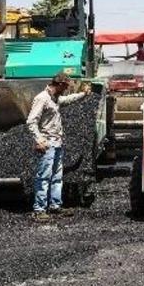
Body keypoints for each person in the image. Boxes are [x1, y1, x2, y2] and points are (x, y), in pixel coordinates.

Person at [26, 72, 91, 221]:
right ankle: (39, 209)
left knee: (56, 177)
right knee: (43, 177)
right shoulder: (42, 98)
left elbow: (67, 99)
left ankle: (55, 206)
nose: (67, 89)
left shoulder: (54, 98)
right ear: (60, 85)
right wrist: (39, 139)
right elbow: (31, 121)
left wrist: (83, 94)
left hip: (57, 143)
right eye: (66, 86)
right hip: (47, 143)